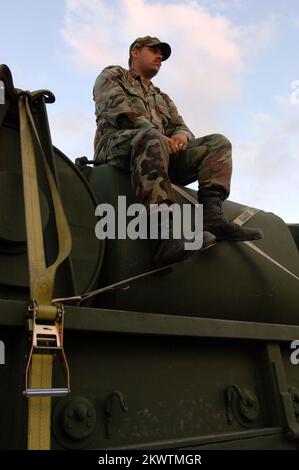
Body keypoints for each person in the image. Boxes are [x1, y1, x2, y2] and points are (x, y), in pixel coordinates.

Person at [93, 36, 263, 267]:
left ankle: (212, 217)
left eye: (161, 54)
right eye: (154, 50)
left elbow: (179, 125)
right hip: (117, 147)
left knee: (217, 143)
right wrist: (158, 134)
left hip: (156, 154)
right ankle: (163, 239)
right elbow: (117, 110)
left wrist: (182, 136)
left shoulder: (161, 97)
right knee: (151, 137)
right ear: (135, 52)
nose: (159, 56)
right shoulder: (114, 75)